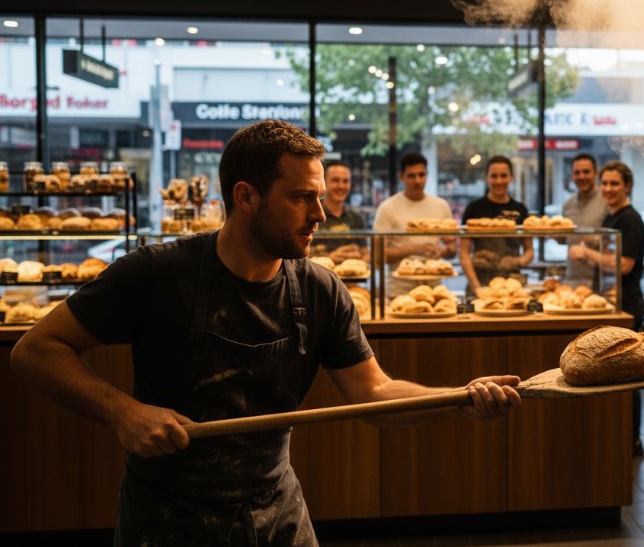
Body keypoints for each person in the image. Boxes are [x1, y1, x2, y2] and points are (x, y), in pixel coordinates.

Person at [9, 120, 520, 546]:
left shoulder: (321, 289)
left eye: (319, 198)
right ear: (246, 196)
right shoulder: (158, 274)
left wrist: (460, 398)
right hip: (168, 520)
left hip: (277, 513)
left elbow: (376, 393)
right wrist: (123, 412)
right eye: (302, 199)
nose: (320, 215)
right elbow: (36, 349)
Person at [568, 161, 644, 457]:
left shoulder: (629, 220)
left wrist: (586, 251)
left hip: (627, 305)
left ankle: (632, 439)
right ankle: (618, 434)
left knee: (630, 373)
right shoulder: (613, 218)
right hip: (613, 303)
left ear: (627, 186)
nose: (608, 189)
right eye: (606, 184)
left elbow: (624, 266)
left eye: (615, 184)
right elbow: (610, 255)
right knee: (616, 371)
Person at [373, 152, 456, 297]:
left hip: (434, 292)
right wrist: (416, 249)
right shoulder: (388, 208)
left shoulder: (441, 206)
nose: (417, 180)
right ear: (401, 177)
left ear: (427, 174)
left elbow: (452, 248)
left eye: (421, 175)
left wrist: (443, 251)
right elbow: (378, 256)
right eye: (411, 176)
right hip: (399, 292)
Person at [459, 156, 534, 297]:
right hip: (480, 281)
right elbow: (464, 253)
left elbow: (529, 251)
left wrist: (518, 261)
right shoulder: (474, 208)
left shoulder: (520, 209)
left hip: (512, 285)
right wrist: (477, 287)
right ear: (487, 178)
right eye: (494, 176)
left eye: (503, 176)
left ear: (511, 177)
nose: (499, 181)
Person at [561, 153, 608, 288]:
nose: (581, 177)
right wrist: (556, 235)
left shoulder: (607, 201)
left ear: (596, 173)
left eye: (586, 172)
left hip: (599, 281)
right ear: (572, 176)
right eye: (577, 173)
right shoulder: (568, 205)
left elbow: (615, 241)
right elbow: (565, 239)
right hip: (571, 279)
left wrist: (595, 239)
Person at [318, 159, 368, 262]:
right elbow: (300, 258)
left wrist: (359, 255)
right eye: (335, 180)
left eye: (345, 181)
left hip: (354, 276)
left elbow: (365, 253)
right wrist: (329, 258)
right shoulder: (313, 214)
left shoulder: (356, 218)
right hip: (317, 277)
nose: (341, 186)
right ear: (324, 182)